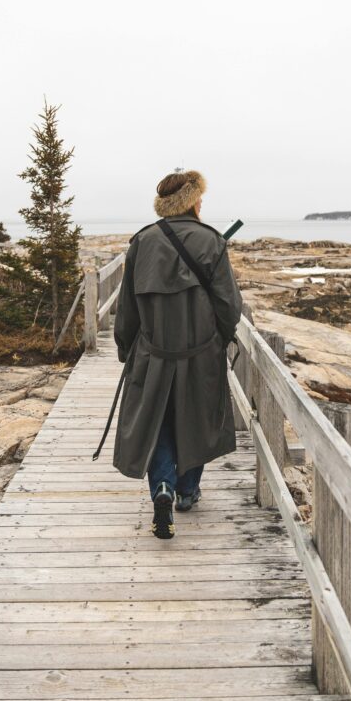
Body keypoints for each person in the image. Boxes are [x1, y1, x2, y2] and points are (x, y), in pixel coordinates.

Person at [113, 169, 243, 539]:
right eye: (199, 197)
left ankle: (163, 489)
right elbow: (229, 305)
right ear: (190, 201)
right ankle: (187, 491)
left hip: (153, 353)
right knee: (197, 420)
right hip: (200, 353)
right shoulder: (211, 241)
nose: (202, 203)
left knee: (159, 422)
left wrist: (126, 348)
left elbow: (127, 308)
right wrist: (223, 338)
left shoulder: (142, 242)